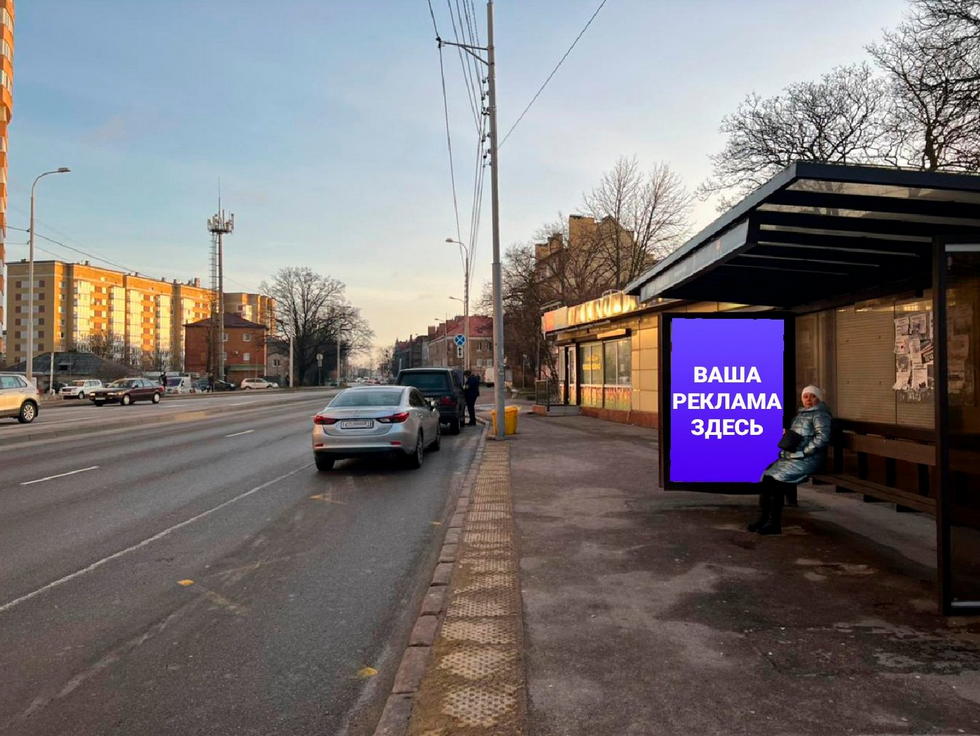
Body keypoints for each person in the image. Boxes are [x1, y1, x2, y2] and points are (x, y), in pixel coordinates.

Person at [750, 385, 832, 536]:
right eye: (805, 396)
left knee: (776, 482)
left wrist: (804, 452)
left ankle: (774, 523)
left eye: (813, 396)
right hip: (794, 457)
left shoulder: (820, 415)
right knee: (767, 478)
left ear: (819, 398)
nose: (808, 399)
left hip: (808, 459)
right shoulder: (801, 414)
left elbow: (822, 438)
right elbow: (800, 434)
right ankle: (763, 518)